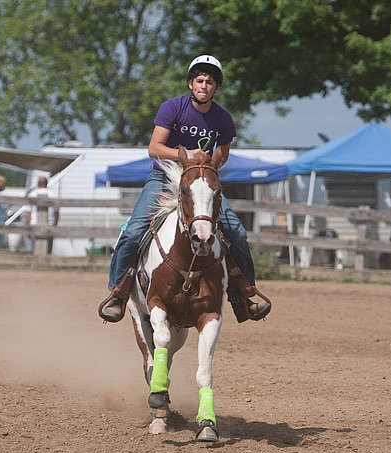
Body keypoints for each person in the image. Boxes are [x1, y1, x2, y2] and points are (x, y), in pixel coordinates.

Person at [98, 54, 271, 324]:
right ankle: (118, 291)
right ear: (191, 84)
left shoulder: (223, 119)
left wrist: (207, 167)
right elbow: (154, 148)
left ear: (216, 87)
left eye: (210, 82)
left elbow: (223, 154)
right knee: (133, 231)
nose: (204, 85)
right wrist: (184, 156)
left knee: (235, 231)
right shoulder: (172, 108)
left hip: (200, 180)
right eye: (200, 80)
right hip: (165, 177)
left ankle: (243, 293)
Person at [24, 175, 59, 254]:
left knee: (34, 249)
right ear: (46, 183)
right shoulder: (53, 195)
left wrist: (27, 227)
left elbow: (28, 213)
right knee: (48, 250)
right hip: (50, 225)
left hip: (34, 224)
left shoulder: (32, 195)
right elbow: (56, 213)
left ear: (37, 183)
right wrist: (55, 225)